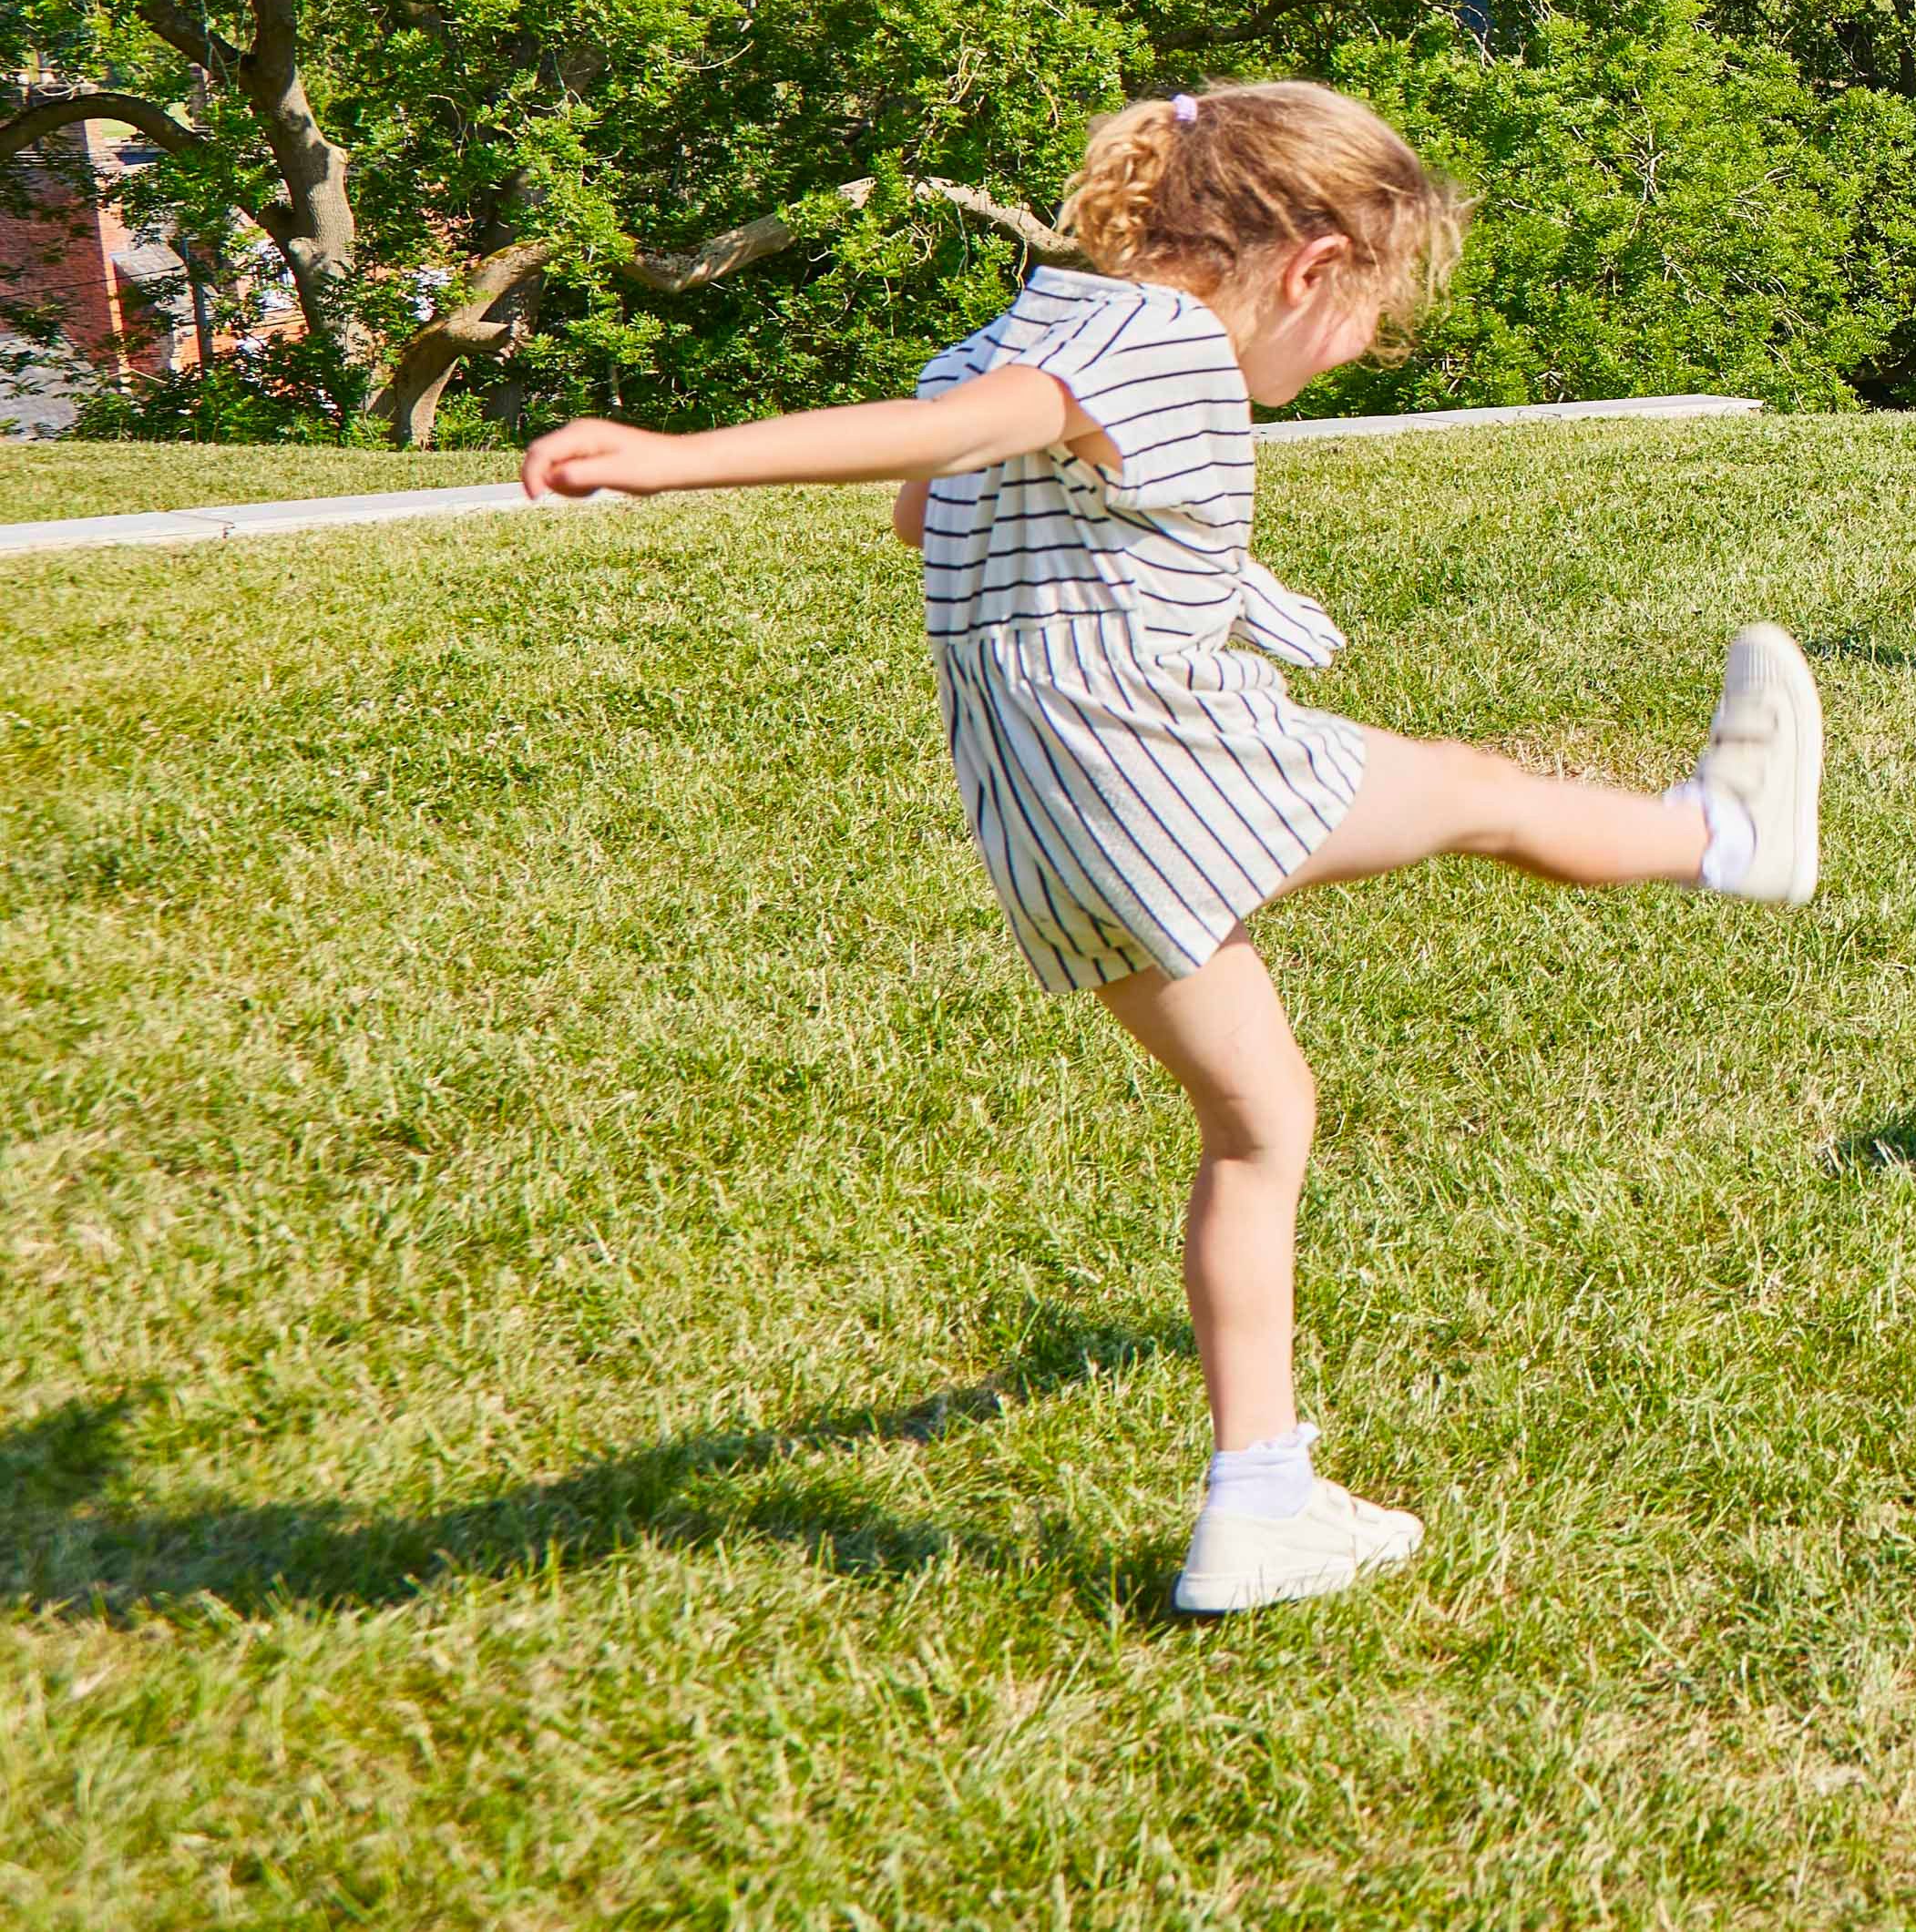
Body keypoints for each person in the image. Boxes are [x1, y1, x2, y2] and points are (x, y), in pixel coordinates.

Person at [516, 82, 1824, 1617]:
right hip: (1162, 760)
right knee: (1476, 789)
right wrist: (674, 455)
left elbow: (927, 515)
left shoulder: (1040, 322)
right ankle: (1730, 832)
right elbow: (958, 439)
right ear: (1311, 265)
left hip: (1047, 816)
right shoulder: (1155, 340)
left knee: (1261, 1118)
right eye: (1367, 325)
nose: (1351, 358)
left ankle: (1257, 1491)